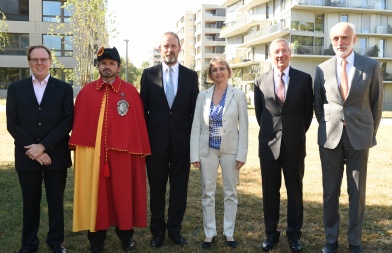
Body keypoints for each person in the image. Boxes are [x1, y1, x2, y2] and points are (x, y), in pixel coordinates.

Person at [69, 47, 151, 253]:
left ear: (118, 67)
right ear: (98, 66)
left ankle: (126, 237)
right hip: (93, 154)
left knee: (123, 194)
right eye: (103, 63)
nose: (107, 67)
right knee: (96, 195)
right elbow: (79, 124)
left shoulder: (130, 92)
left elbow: (137, 125)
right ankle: (96, 240)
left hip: (123, 154)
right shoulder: (86, 92)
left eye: (111, 63)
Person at [314, 22, 383, 253]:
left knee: (357, 192)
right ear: (331, 41)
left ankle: (355, 241)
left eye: (345, 38)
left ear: (354, 40)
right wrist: (328, 126)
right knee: (330, 191)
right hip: (330, 138)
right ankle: (331, 240)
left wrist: (368, 132)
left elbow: (376, 104)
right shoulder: (321, 69)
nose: (340, 43)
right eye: (335, 38)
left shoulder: (370, 66)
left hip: (359, 138)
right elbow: (318, 105)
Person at [6, 45, 74, 253]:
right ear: (29, 62)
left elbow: (67, 122)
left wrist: (43, 147)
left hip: (56, 155)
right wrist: (34, 150)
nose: (39, 63)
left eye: (43, 59)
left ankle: (56, 242)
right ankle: (29, 243)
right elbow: (12, 123)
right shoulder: (16, 88)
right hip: (27, 156)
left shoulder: (63, 88)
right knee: (30, 202)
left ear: (50, 62)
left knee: (56, 202)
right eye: (34, 59)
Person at [254, 38, 314, 253]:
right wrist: (273, 134)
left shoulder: (304, 79)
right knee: (270, 192)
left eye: (284, 51)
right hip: (268, 146)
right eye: (276, 52)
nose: (281, 55)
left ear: (290, 53)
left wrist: (294, 133)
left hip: (295, 145)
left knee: (295, 192)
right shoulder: (260, 81)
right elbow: (261, 114)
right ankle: (271, 235)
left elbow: (308, 113)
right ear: (271, 56)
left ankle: (294, 235)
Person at [140, 31, 199, 248]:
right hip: (156, 145)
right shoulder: (148, 75)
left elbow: (194, 112)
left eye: (173, 46)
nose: (169, 50)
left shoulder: (191, 76)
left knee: (179, 190)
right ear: (160, 49)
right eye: (166, 46)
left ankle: (175, 230)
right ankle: (157, 232)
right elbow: (142, 111)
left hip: (182, 145)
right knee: (156, 190)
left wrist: (193, 145)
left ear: (179, 49)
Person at [190, 57, 248, 249]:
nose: (218, 72)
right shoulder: (203, 96)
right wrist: (194, 154)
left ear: (228, 71)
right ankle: (210, 233)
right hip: (208, 150)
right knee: (208, 193)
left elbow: (245, 127)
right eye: (214, 70)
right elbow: (196, 125)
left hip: (231, 150)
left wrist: (242, 154)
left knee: (230, 193)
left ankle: (229, 232)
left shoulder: (238, 95)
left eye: (222, 68)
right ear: (210, 74)